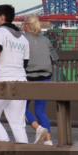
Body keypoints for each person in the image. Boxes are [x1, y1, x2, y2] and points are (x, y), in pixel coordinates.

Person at [0, 4, 30, 143]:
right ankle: (24, 152)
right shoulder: (23, 39)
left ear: (2, 18)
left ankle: (5, 144)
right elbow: (25, 64)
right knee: (18, 123)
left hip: (3, 81)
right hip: (21, 81)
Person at [23, 15, 58, 145]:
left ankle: (39, 129)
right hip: (46, 78)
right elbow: (55, 57)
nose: (22, 26)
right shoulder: (46, 39)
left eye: (23, 24)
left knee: (21, 109)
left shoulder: (23, 39)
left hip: (30, 78)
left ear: (27, 26)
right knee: (40, 111)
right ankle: (48, 139)